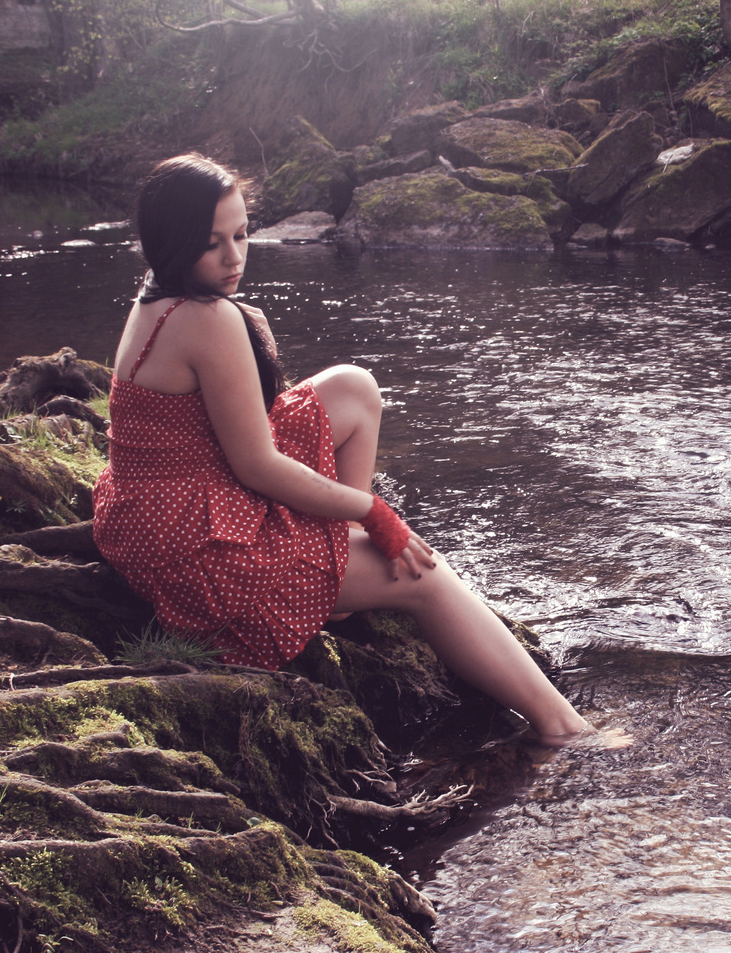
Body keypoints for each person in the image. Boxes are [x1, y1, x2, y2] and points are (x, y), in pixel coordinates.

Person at [92, 154, 626, 749]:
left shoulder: (155, 300)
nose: (234, 256)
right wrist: (371, 512)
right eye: (210, 243)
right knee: (425, 574)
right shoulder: (206, 318)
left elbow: (235, 435)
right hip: (194, 548)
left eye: (240, 235)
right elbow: (256, 464)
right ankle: (562, 729)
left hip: (153, 513)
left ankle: (338, 580)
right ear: (170, 243)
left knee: (354, 388)